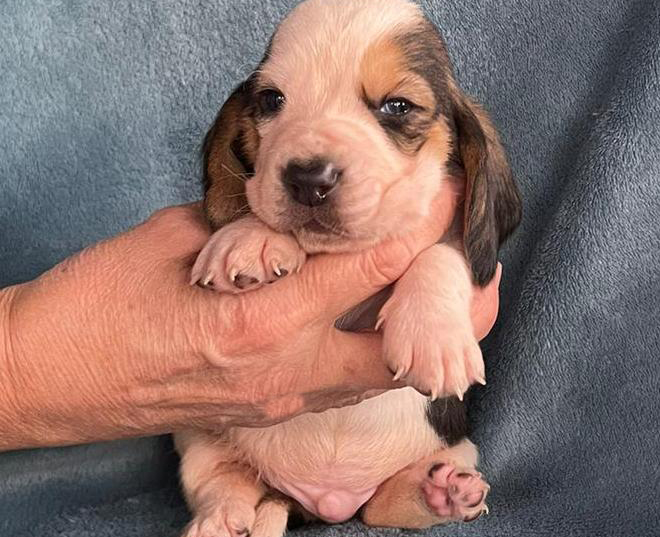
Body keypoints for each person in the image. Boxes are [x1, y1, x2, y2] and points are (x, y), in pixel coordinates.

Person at [0, 187, 501, 452]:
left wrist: (440, 279)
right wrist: (25, 371)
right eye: (275, 101)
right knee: (203, 451)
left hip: (397, 452)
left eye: (395, 110)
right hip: (262, 462)